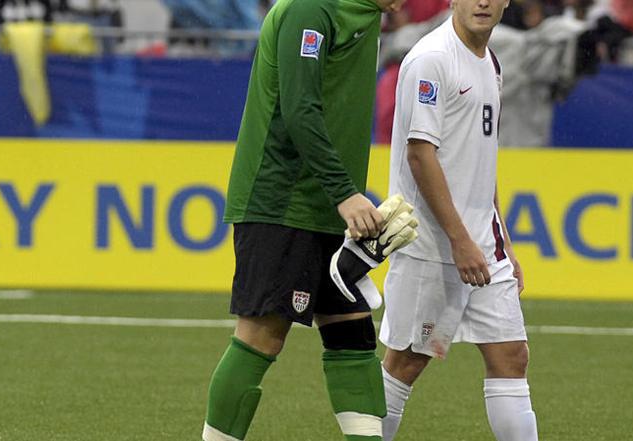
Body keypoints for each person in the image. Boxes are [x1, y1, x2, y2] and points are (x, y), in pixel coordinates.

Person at [201, 0, 407, 440]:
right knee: (261, 336)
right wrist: (345, 193)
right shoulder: (311, 8)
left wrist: (342, 196)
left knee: (353, 336)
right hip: (283, 202)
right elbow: (299, 108)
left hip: (328, 207)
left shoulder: (366, 13)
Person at [378, 1, 539, 441]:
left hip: (484, 245)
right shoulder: (431, 59)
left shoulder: (491, 63)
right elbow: (419, 154)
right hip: (431, 244)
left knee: (511, 357)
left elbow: (481, 160)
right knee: (405, 363)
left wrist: (501, 239)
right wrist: (459, 239)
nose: (482, 2)